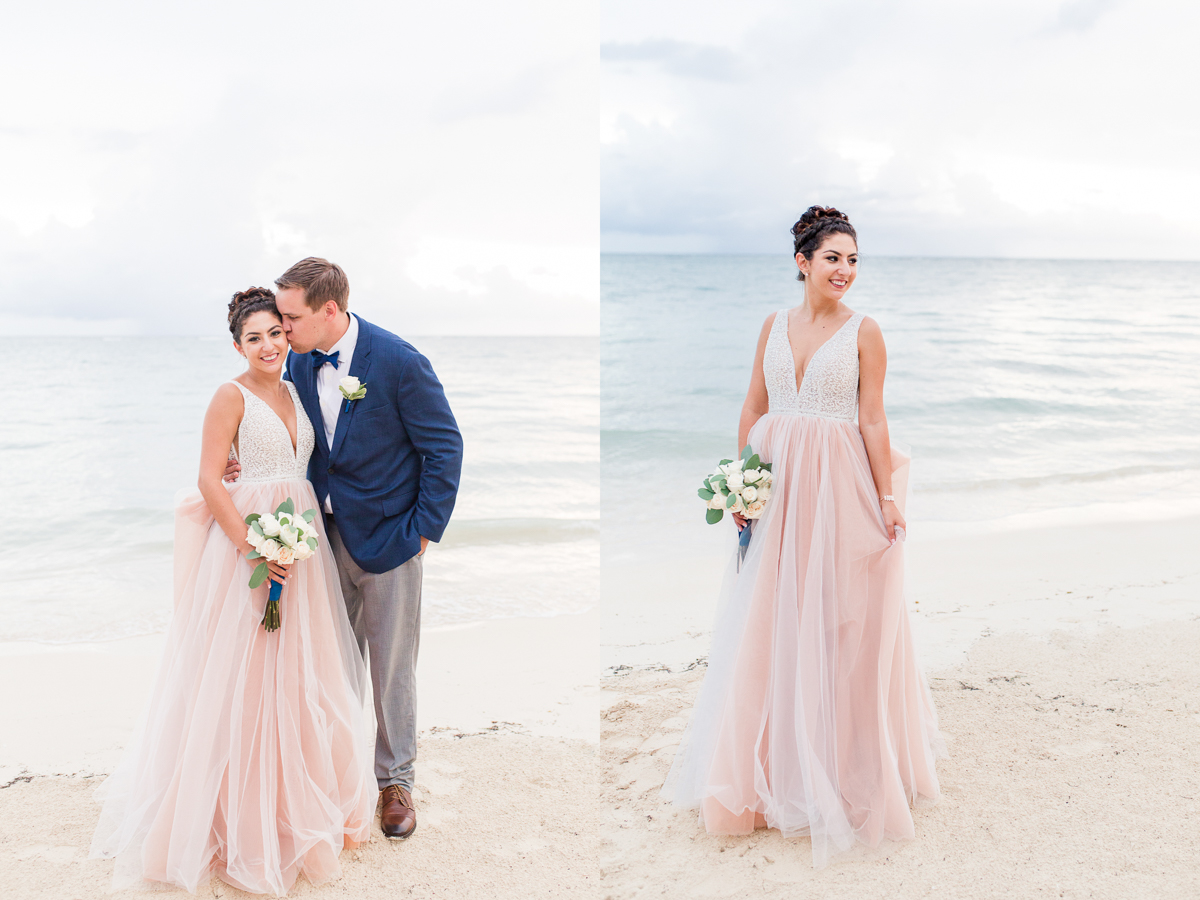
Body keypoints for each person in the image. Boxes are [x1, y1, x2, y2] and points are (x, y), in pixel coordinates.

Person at [662, 207, 945, 867]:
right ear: (802, 262)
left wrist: (886, 498)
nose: (843, 271)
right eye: (832, 259)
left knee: (843, 620)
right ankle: (771, 771)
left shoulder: (866, 332)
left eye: (852, 260)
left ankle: (846, 768)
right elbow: (754, 406)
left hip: (837, 487)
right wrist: (741, 484)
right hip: (777, 487)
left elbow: (872, 420)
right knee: (769, 620)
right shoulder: (772, 325)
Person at [90, 288, 376, 894]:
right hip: (250, 545)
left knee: (300, 673)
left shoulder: (298, 383)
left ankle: (294, 804)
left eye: (277, 332)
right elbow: (208, 478)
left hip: (300, 541)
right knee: (241, 678)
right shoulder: (230, 395)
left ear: (288, 333)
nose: (269, 345)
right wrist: (253, 546)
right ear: (238, 345)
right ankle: (228, 819)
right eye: (255, 338)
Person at [227, 257, 463, 840]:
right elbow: (297, 442)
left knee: (392, 667)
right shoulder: (300, 363)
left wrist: (424, 532)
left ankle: (396, 782)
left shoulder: (400, 362)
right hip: (320, 541)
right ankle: (340, 776)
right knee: (328, 664)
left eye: (291, 318)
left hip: (390, 540)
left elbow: (445, 448)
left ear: (329, 310)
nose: (283, 331)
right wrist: (245, 468)